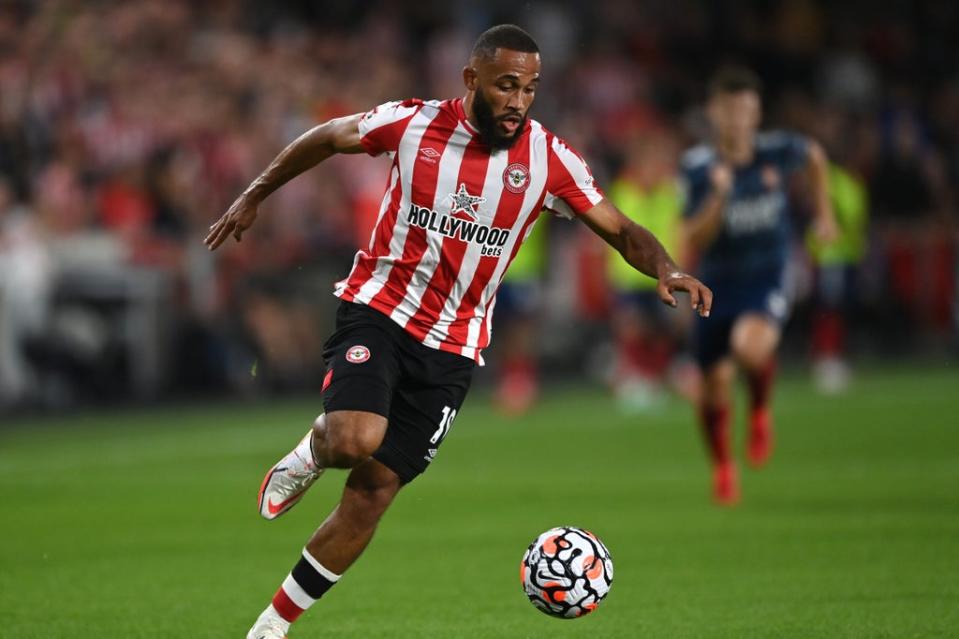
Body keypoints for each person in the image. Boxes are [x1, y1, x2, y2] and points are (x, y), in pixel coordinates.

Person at [206, 25, 712, 639]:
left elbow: (621, 227)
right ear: (471, 80)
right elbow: (328, 136)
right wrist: (255, 193)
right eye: (506, 86)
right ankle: (314, 450)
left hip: (455, 345)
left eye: (530, 88)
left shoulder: (550, 160)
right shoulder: (413, 125)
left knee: (373, 493)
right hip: (381, 308)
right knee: (352, 440)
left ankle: (271, 626)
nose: (519, 101)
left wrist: (668, 267)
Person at [680, 66, 838, 506]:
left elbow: (815, 156)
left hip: (767, 271)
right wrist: (718, 198)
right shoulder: (698, 167)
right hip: (716, 280)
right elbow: (692, 238)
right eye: (730, 110)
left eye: (746, 110)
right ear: (713, 112)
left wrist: (824, 213)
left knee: (750, 348)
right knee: (711, 387)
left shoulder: (777, 151)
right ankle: (723, 467)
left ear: (757, 113)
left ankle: (760, 411)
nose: (738, 119)